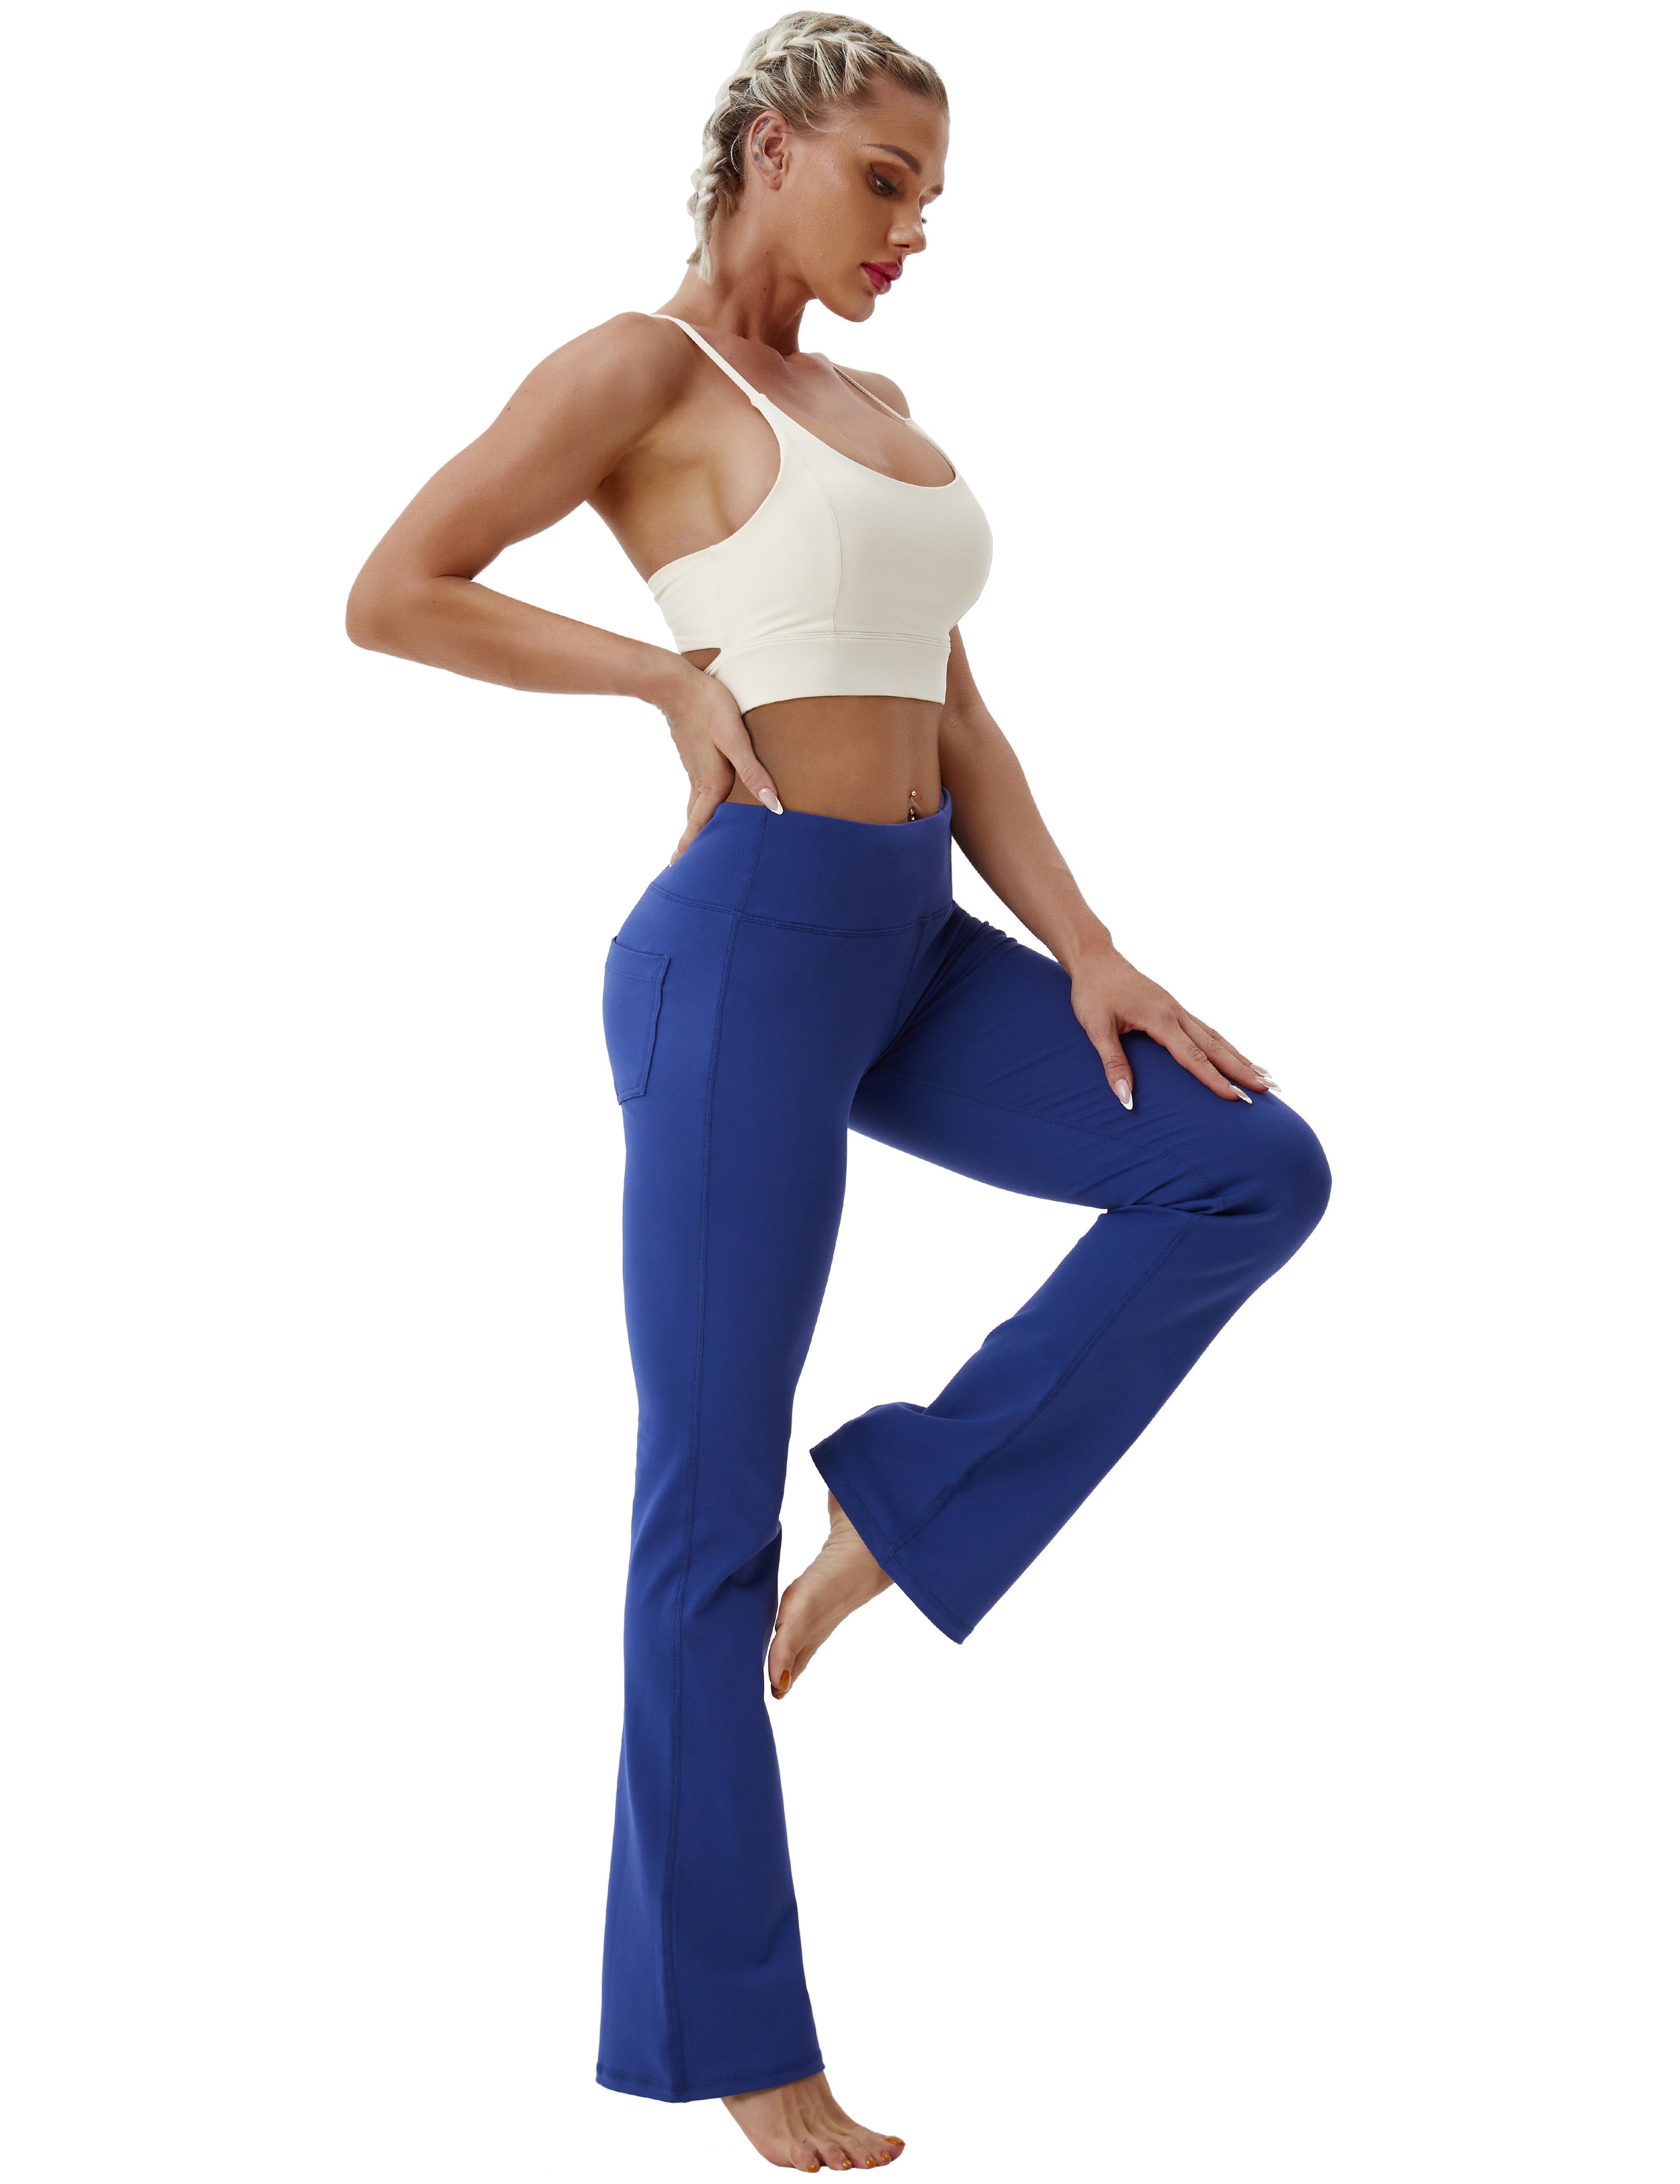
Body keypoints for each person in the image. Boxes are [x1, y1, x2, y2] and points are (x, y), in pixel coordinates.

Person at [346, 11, 1331, 2171]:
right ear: (771, 149)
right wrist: (653, 673)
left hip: (916, 941)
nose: (914, 231)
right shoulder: (638, 370)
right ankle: (736, 2037)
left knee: (1250, 1169)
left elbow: (957, 716)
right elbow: (392, 591)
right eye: (886, 181)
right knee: (699, 1513)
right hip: (739, 961)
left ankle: (900, 1512)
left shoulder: (877, 415)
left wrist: (1089, 944)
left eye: (933, 198)